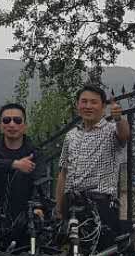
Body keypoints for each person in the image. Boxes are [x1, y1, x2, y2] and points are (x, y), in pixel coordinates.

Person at [55, 84, 129, 243]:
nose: (88, 106)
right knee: (71, 253)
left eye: (94, 102)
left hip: (100, 204)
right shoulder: (71, 136)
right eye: (84, 101)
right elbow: (63, 173)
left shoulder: (111, 131)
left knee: (101, 253)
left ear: (103, 107)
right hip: (71, 205)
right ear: (77, 105)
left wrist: (119, 119)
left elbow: (124, 135)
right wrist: (59, 208)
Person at [0, 103, 43, 222]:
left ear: (25, 126)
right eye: (6, 120)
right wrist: (14, 164)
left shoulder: (34, 152)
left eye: (17, 120)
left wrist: (37, 206)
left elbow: (41, 181)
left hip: (26, 215)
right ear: (0, 125)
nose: (12, 124)